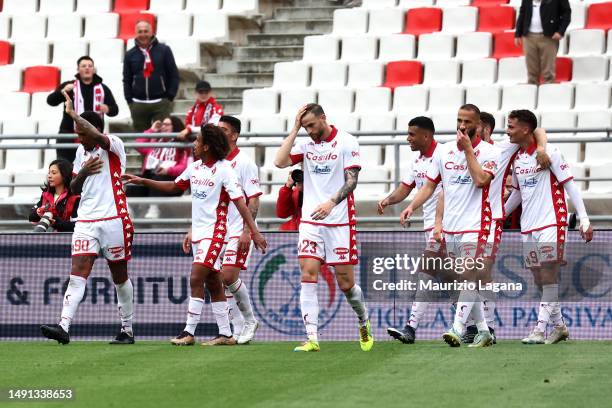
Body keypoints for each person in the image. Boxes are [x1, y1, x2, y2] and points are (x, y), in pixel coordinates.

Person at [122, 124, 267, 346]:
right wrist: (143, 181)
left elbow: (240, 203)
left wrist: (253, 231)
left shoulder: (225, 169)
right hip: (199, 233)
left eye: (197, 141)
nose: (194, 144)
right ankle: (226, 334)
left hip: (216, 234)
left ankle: (188, 332)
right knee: (213, 282)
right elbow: (174, 186)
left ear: (207, 146)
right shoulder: (195, 167)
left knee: (196, 278)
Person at [274, 104, 373, 353]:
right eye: (305, 126)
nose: (310, 131)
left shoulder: (346, 142)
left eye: (311, 125)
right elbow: (279, 162)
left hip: (339, 220)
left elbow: (352, 181)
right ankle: (312, 338)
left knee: (346, 284)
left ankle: (363, 320)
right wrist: (295, 129)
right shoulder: (305, 144)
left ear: (323, 119)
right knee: (308, 275)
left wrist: (331, 202)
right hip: (310, 221)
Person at [401, 104, 501, 348]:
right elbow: (429, 185)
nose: (463, 126)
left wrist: (468, 150)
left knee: (468, 276)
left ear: (479, 125)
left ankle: (457, 328)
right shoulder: (443, 151)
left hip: (477, 224)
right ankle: (483, 330)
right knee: (461, 281)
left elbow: (480, 180)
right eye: (459, 121)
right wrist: (412, 206)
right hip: (450, 227)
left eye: (468, 122)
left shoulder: (490, 152)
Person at [40, 92, 135, 345]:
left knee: (119, 276)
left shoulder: (113, 144)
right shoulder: (81, 153)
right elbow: (73, 188)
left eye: (82, 132)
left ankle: (127, 329)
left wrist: (73, 113)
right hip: (86, 222)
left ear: (93, 130)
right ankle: (64, 327)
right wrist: (81, 172)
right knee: (77, 274)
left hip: (114, 218)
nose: (78, 137)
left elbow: (97, 136)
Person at [458, 112, 550, 344]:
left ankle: (488, 326)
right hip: (464, 221)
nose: (480, 131)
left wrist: (541, 149)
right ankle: (472, 326)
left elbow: (537, 129)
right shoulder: (456, 152)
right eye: (476, 127)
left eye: (484, 128)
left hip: (489, 220)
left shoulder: (502, 149)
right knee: (464, 275)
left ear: (487, 129)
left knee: (482, 270)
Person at [504, 109, 593, 345]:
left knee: (548, 273)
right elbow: (518, 194)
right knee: (538, 277)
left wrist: (584, 219)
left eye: (511, 126)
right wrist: (498, 215)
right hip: (528, 225)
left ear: (525, 129)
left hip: (552, 221)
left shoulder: (550, 152)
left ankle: (539, 330)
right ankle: (560, 327)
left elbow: (570, 186)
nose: (507, 131)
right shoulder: (518, 158)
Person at [195, 115, 263, 345]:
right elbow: (204, 201)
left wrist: (247, 231)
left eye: (224, 130)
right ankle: (234, 329)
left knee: (228, 276)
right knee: (218, 280)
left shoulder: (244, 163)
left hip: (237, 230)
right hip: (216, 230)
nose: (220, 133)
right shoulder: (213, 163)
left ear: (234, 135)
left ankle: (250, 320)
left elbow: (253, 200)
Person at [377, 117, 446, 344]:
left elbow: (443, 193)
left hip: (447, 227)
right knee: (451, 278)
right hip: (432, 228)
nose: (408, 139)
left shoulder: (444, 156)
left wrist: (437, 222)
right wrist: (388, 200)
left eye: (412, 134)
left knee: (428, 274)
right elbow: (406, 188)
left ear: (426, 136)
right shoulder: (417, 161)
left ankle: (411, 328)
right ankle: (474, 328)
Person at [47, 56, 119, 163]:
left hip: (94, 136)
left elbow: (115, 110)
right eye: (83, 66)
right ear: (78, 69)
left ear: (94, 69)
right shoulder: (70, 86)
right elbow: (51, 101)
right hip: (69, 135)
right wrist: (62, 91)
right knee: (65, 169)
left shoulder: (102, 88)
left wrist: (108, 109)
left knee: (92, 172)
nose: (87, 68)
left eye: (90, 66)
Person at [127, 115, 191, 219]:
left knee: (158, 179)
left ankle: (154, 208)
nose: (163, 126)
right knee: (133, 181)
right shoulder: (155, 142)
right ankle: (129, 210)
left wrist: (168, 170)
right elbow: (138, 144)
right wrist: (152, 130)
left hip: (171, 181)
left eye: (167, 124)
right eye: (163, 124)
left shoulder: (181, 145)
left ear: (174, 126)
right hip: (151, 177)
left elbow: (183, 167)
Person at [123, 20, 179, 132]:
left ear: (152, 32)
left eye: (146, 31)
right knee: (141, 140)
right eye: (140, 31)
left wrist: (169, 97)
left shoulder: (164, 50)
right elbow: (127, 79)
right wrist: (130, 101)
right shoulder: (130, 54)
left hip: (161, 102)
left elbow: (173, 75)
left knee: (162, 137)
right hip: (138, 104)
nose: (143, 34)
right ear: (136, 33)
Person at [515, 0, 572, 84]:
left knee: (548, 71)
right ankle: (532, 92)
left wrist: (560, 31)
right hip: (528, 36)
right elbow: (522, 12)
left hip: (549, 37)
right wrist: (518, 33)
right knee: (531, 72)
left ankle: (548, 93)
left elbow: (566, 13)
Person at [29, 159, 80, 233]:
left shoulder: (75, 198)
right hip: (47, 238)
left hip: (67, 238)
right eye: (49, 173)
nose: (49, 176)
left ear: (64, 174)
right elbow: (31, 216)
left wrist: (56, 222)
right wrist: (38, 212)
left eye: (54, 173)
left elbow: (76, 225)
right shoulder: (46, 194)